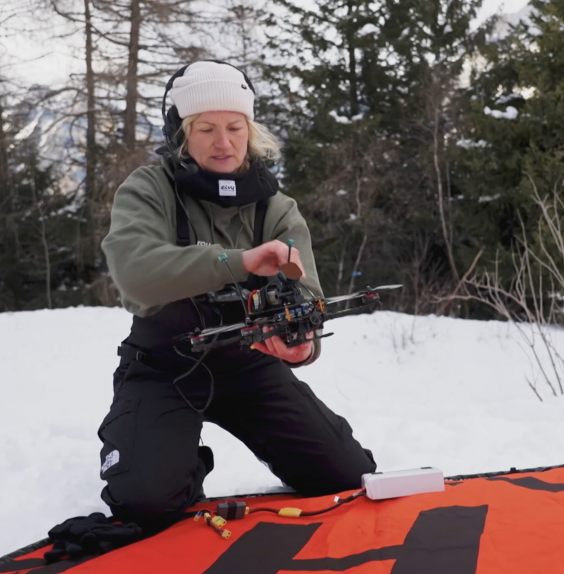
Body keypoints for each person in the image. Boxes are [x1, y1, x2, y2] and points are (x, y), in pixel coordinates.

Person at [96, 60, 377, 533]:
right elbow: (136, 275)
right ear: (182, 133)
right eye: (206, 128)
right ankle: (171, 459)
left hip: (249, 368)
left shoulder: (276, 208)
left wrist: (302, 345)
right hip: (164, 368)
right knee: (144, 502)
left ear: (250, 130)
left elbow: (305, 298)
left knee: (348, 477)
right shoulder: (149, 189)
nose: (223, 142)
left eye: (234, 127)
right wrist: (241, 262)